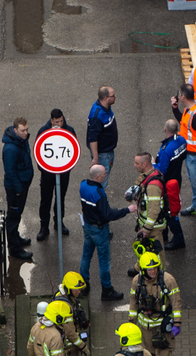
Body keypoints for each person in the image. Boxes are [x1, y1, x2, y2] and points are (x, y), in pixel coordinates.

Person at [128, 252, 182, 356]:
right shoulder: (136, 281)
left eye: (155, 268)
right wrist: (131, 321)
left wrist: (177, 323)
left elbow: (176, 302)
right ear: (143, 270)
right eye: (149, 269)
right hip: (146, 326)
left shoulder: (168, 280)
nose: (153, 271)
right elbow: (133, 301)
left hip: (163, 326)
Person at [79, 165, 135, 302]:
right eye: (104, 174)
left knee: (86, 256)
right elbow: (108, 215)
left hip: (88, 226)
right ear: (98, 177)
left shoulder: (83, 184)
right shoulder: (99, 192)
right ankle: (107, 290)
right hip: (99, 230)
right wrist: (127, 210)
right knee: (104, 261)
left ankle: (83, 284)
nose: (106, 176)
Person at [35, 109, 76, 241]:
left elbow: (72, 151)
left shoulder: (69, 130)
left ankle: (59, 222)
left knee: (60, 198)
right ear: (51, 120)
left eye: (62, 121)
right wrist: (44, 169)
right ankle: (44, 226)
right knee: (45, 200)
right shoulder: (43, 131)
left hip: (63, 173)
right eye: (57, 121)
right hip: (47, 174)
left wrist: (67, 168)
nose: (60, 124)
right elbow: (38, 152)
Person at [127, 151, 168, 277]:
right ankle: (140, 267)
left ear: (145, 164)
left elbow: (154, 210)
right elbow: (138, 183)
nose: (135, 165)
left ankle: (161, 275)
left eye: (137, 163)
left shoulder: (153, 186)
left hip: (152, 226)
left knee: (156, 251)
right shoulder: (148, 174)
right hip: (145, 223)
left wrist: (146, 228)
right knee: (145, 247)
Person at [172, 83, 196, 216]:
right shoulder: (190, 109)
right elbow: (183, 122)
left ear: (183, 96)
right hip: (190, 154)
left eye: (179, 94)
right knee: (194, 181)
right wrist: (175, 108)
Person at [1, 117, 35, 261]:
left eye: (27, 129)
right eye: (23, 130)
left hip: (21, 185)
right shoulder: (10, 149)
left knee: (17, 214)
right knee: (13, 217)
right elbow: (10, 172)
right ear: (15, 130)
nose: (26, 133)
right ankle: (14, 249)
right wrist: (19, 188)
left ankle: (16, 238)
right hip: (16, 189)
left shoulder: (21, 140)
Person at [155, 120, 187, 250]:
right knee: (168, 208)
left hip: (168, 184)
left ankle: (178, 238)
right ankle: (165, 232)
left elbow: (161, 170)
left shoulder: (166, 150)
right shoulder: (182, 140)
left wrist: (152, 164)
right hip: (176, 179)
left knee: (170, 211)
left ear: (165, 129)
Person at [87, 86, 118, 181]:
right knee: (101, 181)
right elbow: (93, 138)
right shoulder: (97, 116)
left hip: (108, 152)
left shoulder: (106, 107)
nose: (115, 97)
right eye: (113, 95)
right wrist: (96, 158)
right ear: (105, 98)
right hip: (103, 155)